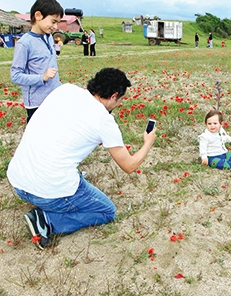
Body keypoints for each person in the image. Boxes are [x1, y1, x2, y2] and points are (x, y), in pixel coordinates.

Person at [7, 68, 157, 250]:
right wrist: (148, 143)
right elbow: (129, 165)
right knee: (106, 210)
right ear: (114, 95)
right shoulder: (103, 120)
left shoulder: (65, 90)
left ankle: (48, 207)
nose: (119, 104)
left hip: (17, 181)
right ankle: (46, 221)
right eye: (120, 100)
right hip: (48, 191)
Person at [10, 0, 64, 123]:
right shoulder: (25, 43)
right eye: (53, 21)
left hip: (53, 98)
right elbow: (15, 76)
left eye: (57, 23)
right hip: (37, 104)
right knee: (38, 139)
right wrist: (42, 77)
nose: (55, 27)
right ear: (38, 15)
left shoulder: (48, 37)